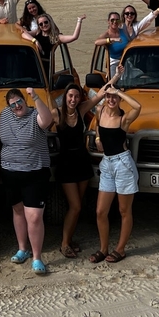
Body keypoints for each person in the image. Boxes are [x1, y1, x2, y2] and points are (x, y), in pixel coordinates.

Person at [0, 87, 54, 275]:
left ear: (24, 100)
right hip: (10, 172)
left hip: (35, 173)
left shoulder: (35, 114)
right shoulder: (5, 114)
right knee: (18, 211)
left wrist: (35, 97)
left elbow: (47, 120)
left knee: (35, 216)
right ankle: (23, 249)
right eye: (12, 104)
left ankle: (37, 257)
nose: (16, 106)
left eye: (19, 102)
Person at [89, 82, 142, 264]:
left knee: (124, 210)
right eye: (108, 96)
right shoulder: (100, 111)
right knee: (100, 211)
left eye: (114, 97)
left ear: (119, 99)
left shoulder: (123, 119)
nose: (111, 99)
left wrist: (118, 91)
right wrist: (97, 138)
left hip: (123, 164)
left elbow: (138, 107)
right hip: (107, 164)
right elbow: (97, 126)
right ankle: (103, 248)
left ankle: (120, 249)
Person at [52, 83, 95, 259]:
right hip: (65, 164)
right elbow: (40, 122)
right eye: (70, 96)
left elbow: (100, 97)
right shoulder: (56, 113)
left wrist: (115, 78)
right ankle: (63, 244)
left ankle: (68, 240)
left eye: (76, 96)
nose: (73, 99)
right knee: (75, 206)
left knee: (77, 205)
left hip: (82, 162)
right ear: (65, 96)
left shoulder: (82, 109)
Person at [21, 13, 85, 79]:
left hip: (45, 66)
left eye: (46, 22)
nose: (44, 25)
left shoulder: (56, 37)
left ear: (50, 22)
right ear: (39, 26)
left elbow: (74, 37)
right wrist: (35, 41)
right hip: (33, 64)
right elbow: (23, 34)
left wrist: (79, 21)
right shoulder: (37, 32)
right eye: (41, 24)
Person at [94, 11, 128, 79]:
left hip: (127, 61)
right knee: (113, 83)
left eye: (117, 20)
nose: (115, 22)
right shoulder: (106, 34)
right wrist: (110, 40)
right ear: (108, 21)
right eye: (112, 20)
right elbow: (96, 42)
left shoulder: (123, 31)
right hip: (115, 63)